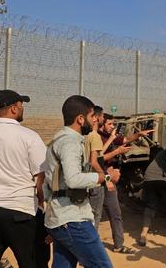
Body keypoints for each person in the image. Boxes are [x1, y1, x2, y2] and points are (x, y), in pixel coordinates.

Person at [0, 90, 48, 268]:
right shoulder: (29, 136)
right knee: (34, 262)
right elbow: (41, 179)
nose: (22, 109)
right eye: (21, 106)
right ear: (14, 109)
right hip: (21, 212)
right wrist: (42, 205)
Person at [43, 95, 120, 267]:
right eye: (92, 116)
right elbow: (73, 179)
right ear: (80, 119)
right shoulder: (69, 142)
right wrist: (106, 177)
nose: (96, 121)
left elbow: (46, 185)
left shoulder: (58, 140)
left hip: (62, 219)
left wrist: (55, 221)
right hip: (73, 220)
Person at [97, 114, 152, 254]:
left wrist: (138, 134)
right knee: (94, 217)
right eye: (109, 124)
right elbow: (97, 161)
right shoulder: (96, 138)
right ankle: (89, 250)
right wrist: (117, 152)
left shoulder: (112, 136)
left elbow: (126, 139)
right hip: (99, 181)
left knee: (115, 213)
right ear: (102, 124)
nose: (112, 126)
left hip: (109, 181)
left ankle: (119, 245)